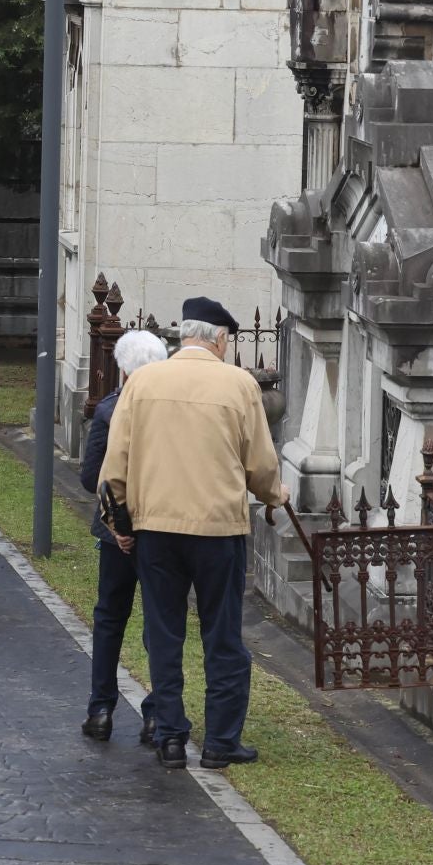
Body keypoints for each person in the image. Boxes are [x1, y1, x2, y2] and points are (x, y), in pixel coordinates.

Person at [98, 295, 289, 772]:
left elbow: (113, 470)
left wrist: (120, 525)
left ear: (184, 336)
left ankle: (169, 735)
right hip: (217, 529)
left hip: (156, 528)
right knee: (222, 635)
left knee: (163, 635)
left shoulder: (141, 383)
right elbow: (260, 464)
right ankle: (221, 741)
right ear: (220, 339)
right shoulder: (239, 384)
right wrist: (275, 495)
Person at [77, 330, 166, 744]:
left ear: (123, 369)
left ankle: (100, 708)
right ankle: (155, 713)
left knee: (110, 618)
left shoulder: (110, 410)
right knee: (158, 622)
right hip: (159, 531)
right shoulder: (172, 414)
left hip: (117, 532)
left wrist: (119, 520)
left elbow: (90, 477)